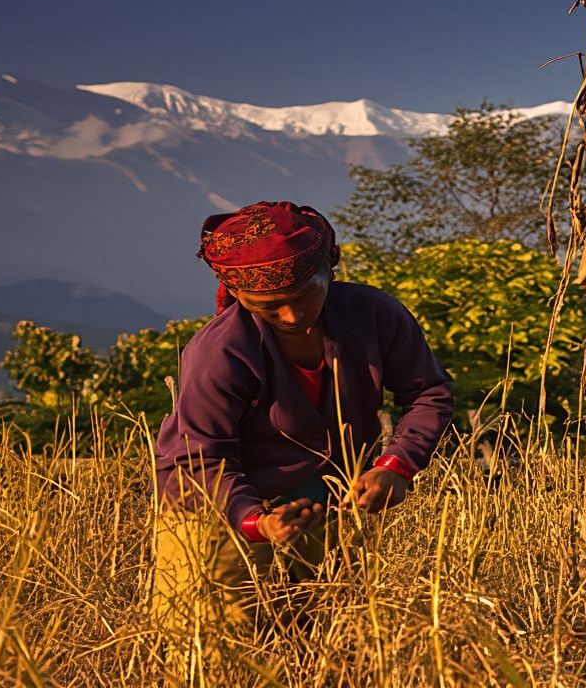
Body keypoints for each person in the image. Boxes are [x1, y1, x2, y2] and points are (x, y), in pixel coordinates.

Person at [151, 201, 454, 635]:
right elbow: (201, 460)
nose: (292, 317)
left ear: (329, 267)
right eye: (270, 307)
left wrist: (397, 465)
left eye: (305, 294)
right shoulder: (218, 353)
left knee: (326, 643)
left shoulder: (374, 315)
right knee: (221, 648)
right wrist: (257, 521)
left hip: (327, 506)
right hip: (216, 512)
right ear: (238, 294)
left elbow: (429, 392)